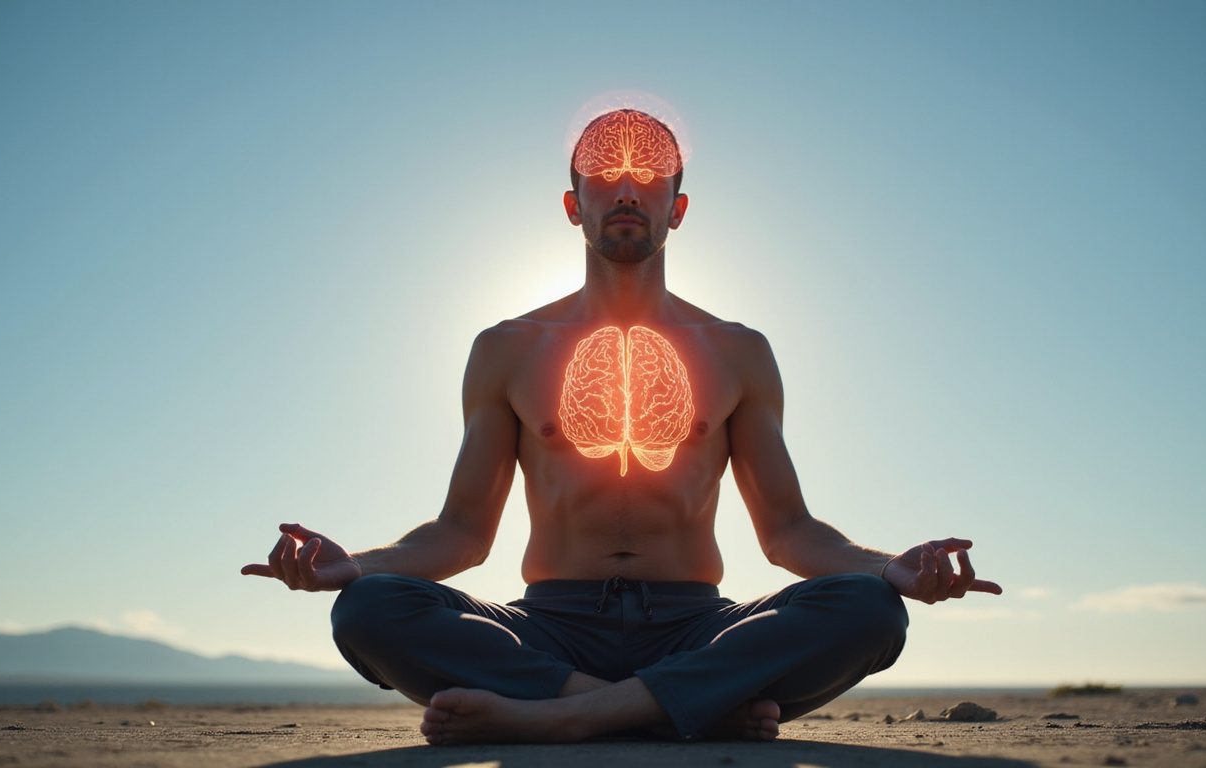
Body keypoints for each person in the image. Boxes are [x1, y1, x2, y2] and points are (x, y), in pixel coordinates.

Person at [243, 107, 1002, 746]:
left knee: (868, 609)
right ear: (573, 204)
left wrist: (888, 570)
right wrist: (357, 567)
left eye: (650, 177)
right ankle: (677, 707)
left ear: (679, 206)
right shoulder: (506, 348)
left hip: (696, 623)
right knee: (371, 609)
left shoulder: (739, 350)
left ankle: (565, 716)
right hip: (550, 626)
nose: (628, 189)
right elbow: (461, 535)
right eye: (605, 177)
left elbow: (791, 534)